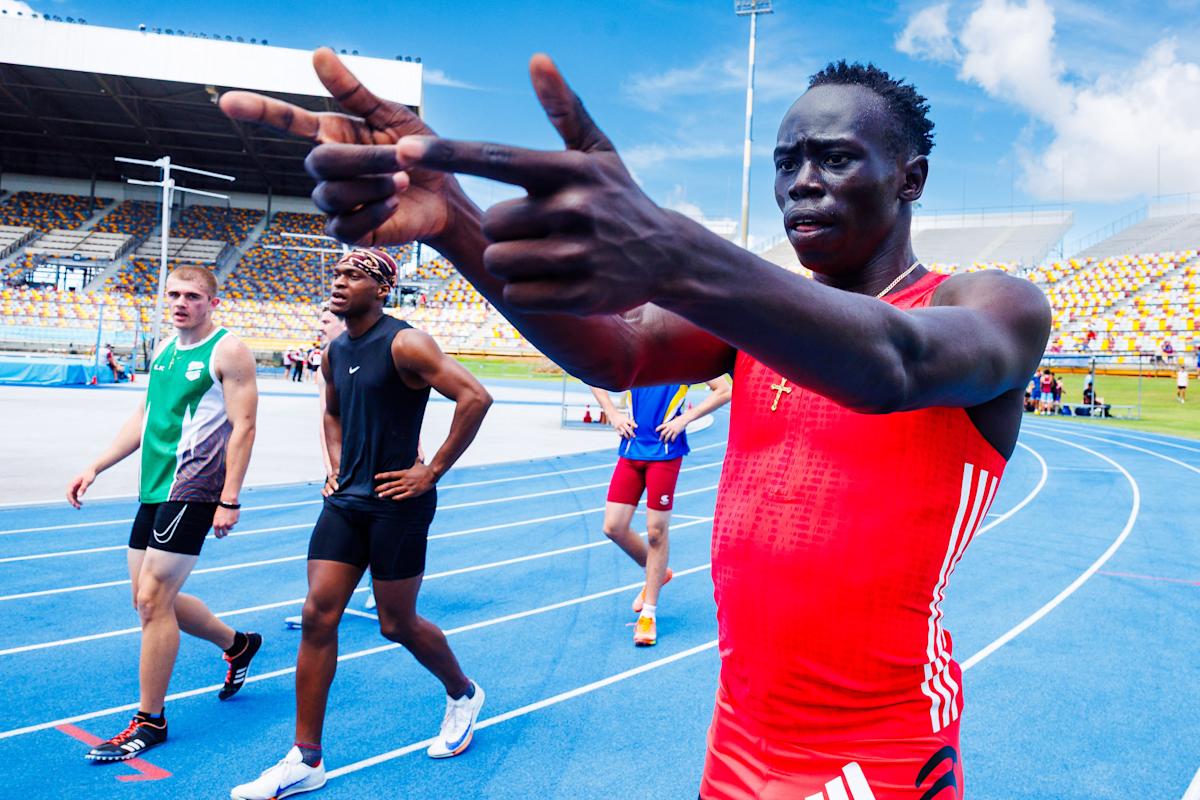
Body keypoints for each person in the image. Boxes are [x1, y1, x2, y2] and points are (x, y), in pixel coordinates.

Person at [222, 52, 1050, 800]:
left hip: (884, 752)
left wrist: (676, 251)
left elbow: (891, 365)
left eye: (834, 157)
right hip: (737, 738)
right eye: (787, 161)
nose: (801, 180)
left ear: (911, 177)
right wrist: (454, 221)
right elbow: (614, 351)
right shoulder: (755, 315)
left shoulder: (990, 306)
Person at [231, 249, 492, 799]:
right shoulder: (332, 351)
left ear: (382, 289)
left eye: (354, 276)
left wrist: (431, 471)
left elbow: (475, 396)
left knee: (396, 624)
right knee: (316, 615)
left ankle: (463, 693)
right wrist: (335, 464)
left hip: (399, 501)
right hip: (345, 501)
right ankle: (306, 757)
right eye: (338, 274)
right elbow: (331, 410)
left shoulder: (406, 342)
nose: (339, 282)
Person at [66, 265, 261, 762]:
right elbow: (146, 416)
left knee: (153, 602)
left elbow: (244, 427)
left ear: (211, 302)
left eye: (192, 296)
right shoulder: (166, 348)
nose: (180, 303)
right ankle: (237, 644)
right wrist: (97, 464)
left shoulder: (227, 351)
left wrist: (229, 498)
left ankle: (150, 721)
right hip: (153, 487)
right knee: (147, 600)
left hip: (193, 488)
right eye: (173, 294)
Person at [589, 380, 731, 646]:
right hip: (631, 447)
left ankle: (648, 614)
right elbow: (591, 375)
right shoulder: (635, 352)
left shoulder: (682, 354)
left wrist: (684, 419)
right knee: (613, 527)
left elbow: (724, 389)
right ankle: (658, 571)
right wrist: (613, 412)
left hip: (665, 452)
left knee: (656, 533)